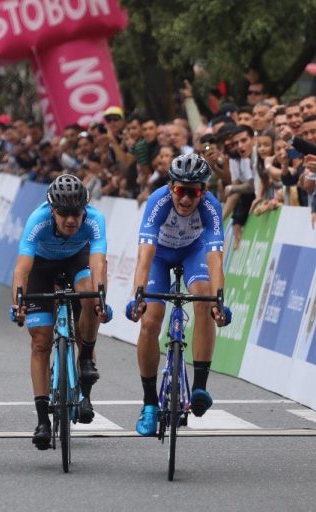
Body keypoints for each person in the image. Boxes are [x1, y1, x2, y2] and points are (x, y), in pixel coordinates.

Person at [125, 153, 232, 436]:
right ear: (171, 187)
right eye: (180, 191)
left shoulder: (211, 207)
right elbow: (144, 256)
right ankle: (149, 403)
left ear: (204, 191)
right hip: (159, 256)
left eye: (193, 192)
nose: (185, 200)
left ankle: (199, 386)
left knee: (206, 302)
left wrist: (219, 300)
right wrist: (139, 296)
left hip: (193, 252)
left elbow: (215, 257)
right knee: (150, 321)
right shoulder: (157, 202)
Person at [10, 174, 112, 449]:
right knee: (41, 341)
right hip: (41, 267)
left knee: (89, 296)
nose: (71, 220)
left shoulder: (94, 219)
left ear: (84, 210)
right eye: (64, 214)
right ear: (52, 211)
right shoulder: (38, 220)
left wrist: (101, 295)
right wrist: (18, 301)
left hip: (77, 260)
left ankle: (87, 361)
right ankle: (43, 420)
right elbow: (21, 269)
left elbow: (99, 262)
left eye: (76, 213)